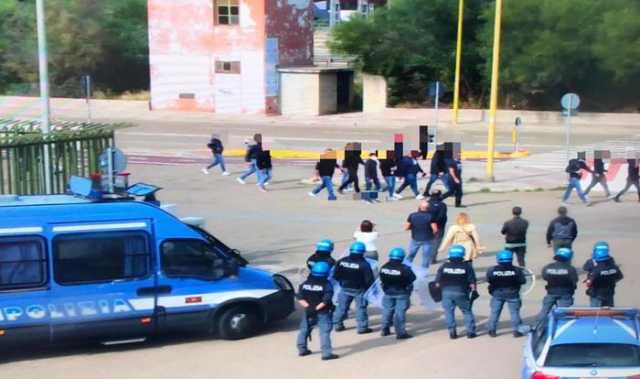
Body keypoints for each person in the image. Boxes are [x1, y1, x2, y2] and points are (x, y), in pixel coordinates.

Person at [296, 261, 339, 361]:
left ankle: (302, 350)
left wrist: (309, 308)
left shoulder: (305, 283)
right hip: (323, 312)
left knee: (304, 330)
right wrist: (315, 308)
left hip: (308, 312)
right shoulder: (327, 285)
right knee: (324, 332)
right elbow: (325, 301)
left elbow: (299, 297)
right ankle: (326, 354)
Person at [435, 245, 477, 339]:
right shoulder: (467, 266)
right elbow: (472, 282)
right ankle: (470, 332)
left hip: (446, 292)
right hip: (461, 292)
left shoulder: (444, 266)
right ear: (462, 255)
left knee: (449, 312)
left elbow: (437, 283)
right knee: (466, 311)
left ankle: (452, 332)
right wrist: (474, 291)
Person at [332, 242, 375, 334]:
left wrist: (342, 282)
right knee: (360, 308)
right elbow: (369, 280)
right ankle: (362, 328)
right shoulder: (364, 264)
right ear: (363, 252)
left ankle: (337, 325)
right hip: (359, 290)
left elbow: (335, 275)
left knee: (341, 307)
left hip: (344, 288)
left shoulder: (342, 261)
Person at [486, 250, 527, 338]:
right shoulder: (517, 270)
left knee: (494, 312)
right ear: (511, 259)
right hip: (513, 293)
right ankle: (516, 331)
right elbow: (523, 281)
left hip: (497, 293)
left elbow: (489, 280)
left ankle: (492, 330)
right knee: (514, 313)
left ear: (498, 259)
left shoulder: (492, 270)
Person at [379, 247, 416, 339]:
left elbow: (381, 278)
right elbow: (413, 278)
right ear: (402, 257)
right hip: (402, 293)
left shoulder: (384, 267)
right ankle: (400, 333)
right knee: (400, 313)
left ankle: (384, 329)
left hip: (388, 292)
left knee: (387, 310)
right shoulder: (405, 268)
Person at [537, 248, 578, 321]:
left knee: (544, 311)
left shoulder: (548, 267)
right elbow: (574, 281)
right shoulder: (571, 269)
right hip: (566, 293)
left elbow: (545, 277)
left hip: (551, 292)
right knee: (563, 313)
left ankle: (538, 328)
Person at [585, 243, 623, 307]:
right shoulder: (613, 266)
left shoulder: (595, 269)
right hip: (609, 293)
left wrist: (588, 280)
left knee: (595, 314)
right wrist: (611, 280)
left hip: (596, 294)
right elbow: (620, 276)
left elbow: (589, 282)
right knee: (609, 313)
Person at [404, 201, 439, 269]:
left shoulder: (412, 215)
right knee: (425, 257)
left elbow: (407, 227)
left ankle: (406, 268)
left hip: (415, 238)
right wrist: (433, 234)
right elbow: (435, 229)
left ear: (419, 207)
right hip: (427, 239)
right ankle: (423, 272)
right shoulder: (431, 216)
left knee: (411, 255)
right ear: (428, 208)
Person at [428, 190, 448, 264]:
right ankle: (432, 258)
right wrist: (435, 223)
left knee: (428, 242)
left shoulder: (426, 203)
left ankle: (427, 257)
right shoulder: (442, 205)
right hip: (439, 226)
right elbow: (441, 216)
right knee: (436, 243)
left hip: (427, 226)